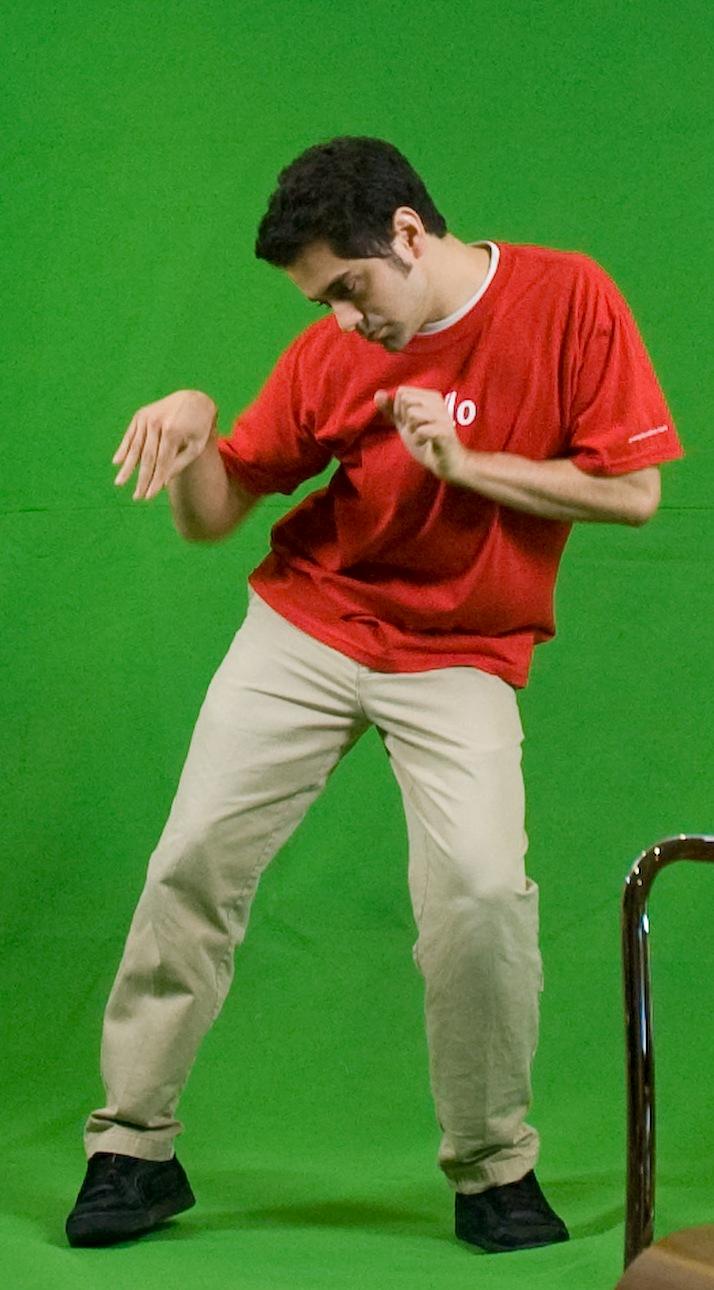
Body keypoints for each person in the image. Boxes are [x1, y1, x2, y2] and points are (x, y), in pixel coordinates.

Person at [65, 136, 685, 1253]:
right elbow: (216, 515)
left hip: (463, 649)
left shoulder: (568, 298)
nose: (345, 321)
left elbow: (632, 492)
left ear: (407, 232)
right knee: (193, 860)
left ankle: (494, 1169)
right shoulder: (331, 355)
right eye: (323, 303)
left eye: (350, 290)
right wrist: (197, 426)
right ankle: (132, 1150)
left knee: (483, 896)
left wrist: (465, 466)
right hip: (309, 626)